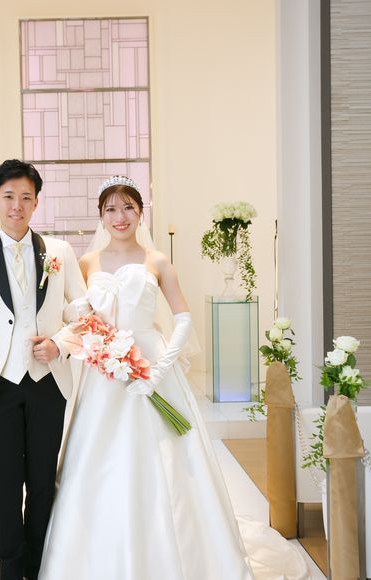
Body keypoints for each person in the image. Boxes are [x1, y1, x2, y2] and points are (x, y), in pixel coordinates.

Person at [38, 176, 310, 580]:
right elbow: (74, 314)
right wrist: (90, 336)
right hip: (104, 373)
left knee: (169, 458)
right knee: (98, 455)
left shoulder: (157, 261)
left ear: (140, 212)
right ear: (100, 216)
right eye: (111, 209)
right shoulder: (87, 262)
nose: (120, 216)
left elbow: (182, 318)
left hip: (152, 363)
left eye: (128, 207)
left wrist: (159, 369)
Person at [0, 159, 86, 580]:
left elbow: (83, 313)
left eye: (26, 197)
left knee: (43, 479)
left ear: (36, 203)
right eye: (9, 196)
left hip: (49, 384)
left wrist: (60, 344)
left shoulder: (60, 252)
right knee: (5, 481)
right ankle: (10, 568)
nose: (17, 205)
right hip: (1, 386)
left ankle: (40, 565)